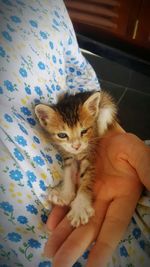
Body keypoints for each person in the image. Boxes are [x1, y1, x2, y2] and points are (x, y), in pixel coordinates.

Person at [0, 0, 149, 266]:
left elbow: (78, 71)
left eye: (81, 134)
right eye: (64, 137)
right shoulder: (51, 120)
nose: (77, 144)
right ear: (45, 121)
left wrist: (111, 132)